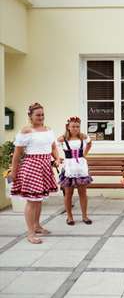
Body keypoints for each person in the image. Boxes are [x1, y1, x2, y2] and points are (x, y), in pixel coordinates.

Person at [10, 103, 61, 244]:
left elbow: (53, 147)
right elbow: (17, 155)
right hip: (32, 167)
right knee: (32, 201)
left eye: (42, 114)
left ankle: (37, 226)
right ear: (30, 116)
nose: (41, 117)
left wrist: (56, 158)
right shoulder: (26, 131)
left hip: (45, 166)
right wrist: (14, 173)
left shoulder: (48, 130)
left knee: (38, 200)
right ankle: (30, 233)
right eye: (38, 115)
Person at [58, 116, 93, 225]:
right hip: (69, 167)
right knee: (68, 193)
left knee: (83, 192)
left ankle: (84, 215)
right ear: (68, 127)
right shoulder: (62, 139)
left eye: (77, 126)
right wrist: (58, 158)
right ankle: (69, 216)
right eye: (73, 126)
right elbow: (52, 147)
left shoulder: (83, 137)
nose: (75, 128)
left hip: (81, 167)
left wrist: (84, 154)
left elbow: (90, 143)